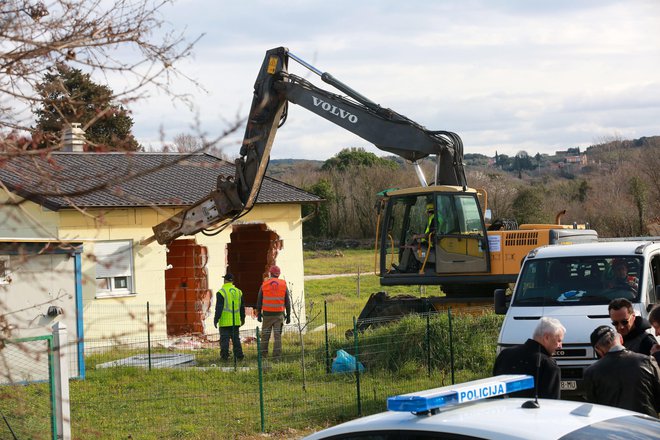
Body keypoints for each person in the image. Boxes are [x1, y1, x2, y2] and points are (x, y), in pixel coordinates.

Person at [584, 325, 660, 418]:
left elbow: (594, 408)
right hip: (646, 425)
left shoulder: (591, 372)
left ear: (598, 350)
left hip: (613, 426)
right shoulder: (647, 361)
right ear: (620, 339)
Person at [493, 317, 565, 399]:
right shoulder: (549, 366)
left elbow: (495, 393)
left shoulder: (505, 355)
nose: (561, 346)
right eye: (559, 341)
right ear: (546, 338)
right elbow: (551, 405)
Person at [256, 265, 291, 360]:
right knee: (277, 336)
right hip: (279, 315)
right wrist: (289, 315)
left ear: (270, 273)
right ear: (279, 274)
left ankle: (263, 356)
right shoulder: (283, 284)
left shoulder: (265, 284)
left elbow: (259, 300)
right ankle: (277, 357)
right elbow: (287, 301)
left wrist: (259, 313)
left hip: (267, 315)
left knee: (265, 336)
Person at [213, 273, 245, 361]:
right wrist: (243, 318)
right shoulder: (239, 292)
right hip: (236, 321)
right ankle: (239, 356)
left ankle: (225, 357)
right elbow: (242, 307)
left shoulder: (221, 292)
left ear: (225, 280)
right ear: (232, 281)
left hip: (225, 322)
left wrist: (216, 319)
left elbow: (219, 307)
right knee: (236, 340)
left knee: (224, 341)